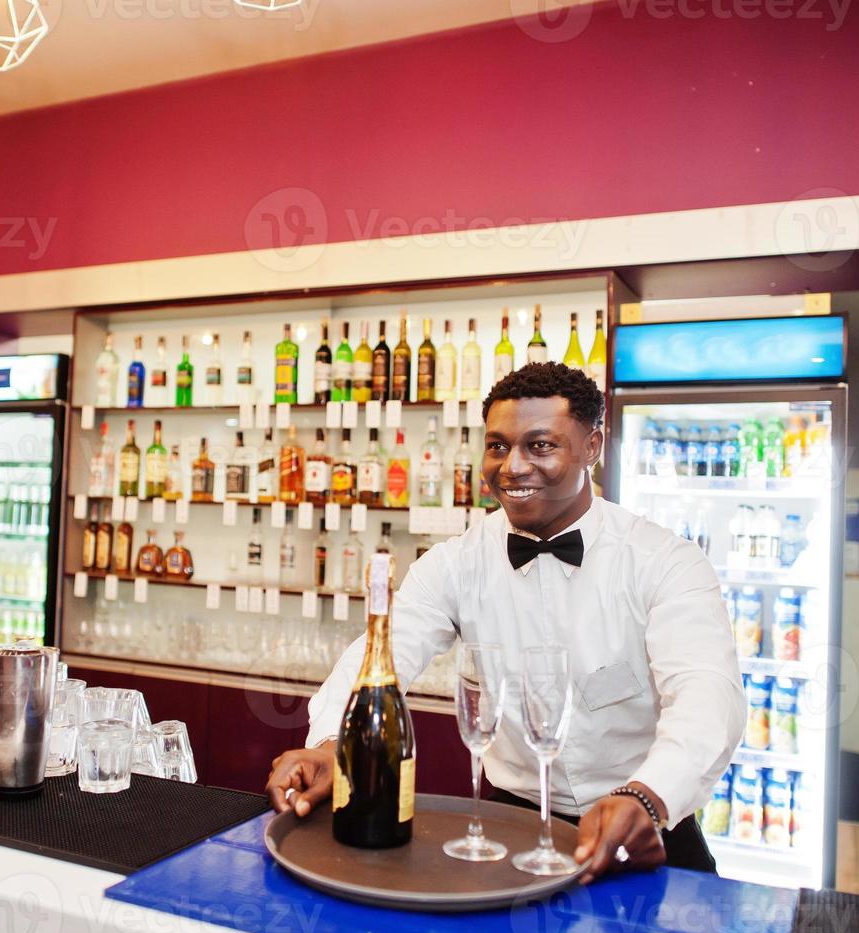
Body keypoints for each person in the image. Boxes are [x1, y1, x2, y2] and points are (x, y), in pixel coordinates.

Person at [265, 362, 744, 879]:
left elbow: (707, 698)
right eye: (497, 446)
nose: (512, 466)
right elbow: (381, 653)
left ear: (593, 447)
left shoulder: (664, 560)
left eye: (540, 445)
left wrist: (649, 795)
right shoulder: (457, 561)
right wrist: (331, 745)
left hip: (646, 826)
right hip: (507, 826)